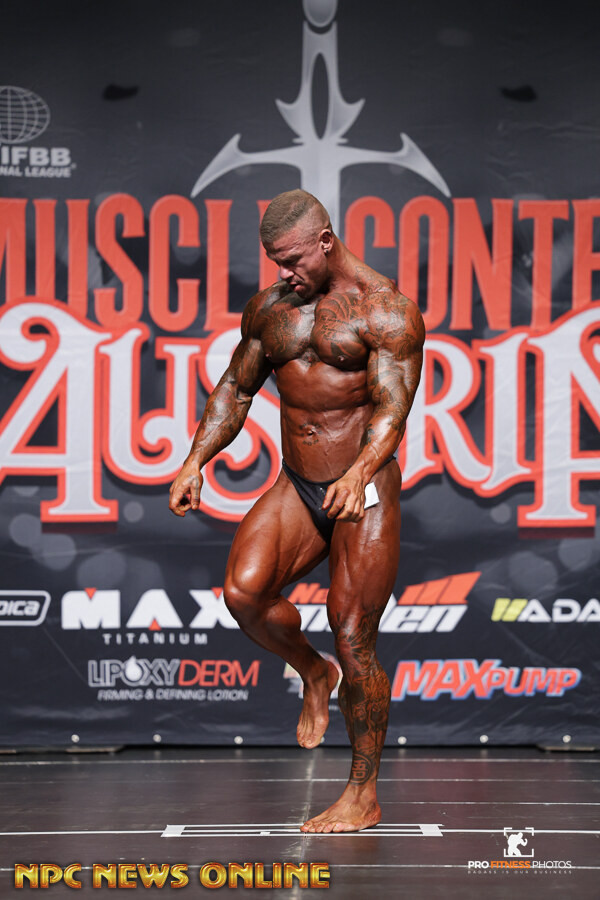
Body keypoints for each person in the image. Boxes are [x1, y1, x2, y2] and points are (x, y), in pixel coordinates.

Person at [169, 189, 424, 833]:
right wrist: (194, 461)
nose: (284, 272)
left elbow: (393, 409)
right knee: (244, 592)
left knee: (353, 631)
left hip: (363, 486)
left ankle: (362, 793)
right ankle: (313, 672)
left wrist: (360, 472)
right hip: (299, 484)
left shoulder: (386, 311)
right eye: (274, 261)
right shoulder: (272, 309)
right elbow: (236, 388)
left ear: (326, 242)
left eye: (292, 259)